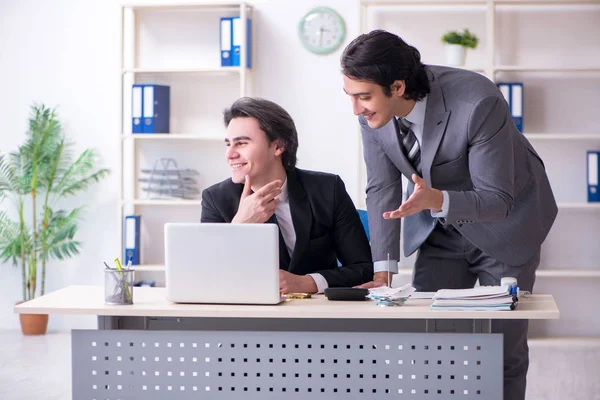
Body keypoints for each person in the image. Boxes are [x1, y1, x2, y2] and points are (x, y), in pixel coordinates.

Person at [340, 30, 557, 400]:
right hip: (438, 228)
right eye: (350, 96)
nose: (356, 109)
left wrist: (436, 199)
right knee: (432, 344)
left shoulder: (477, 100)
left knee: (502, 351)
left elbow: (497, 199)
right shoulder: (372, 114)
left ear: (397, 86)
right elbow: (381, 188)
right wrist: (384, 269)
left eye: (363, 97)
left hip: (504, 224)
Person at [201, 97, 373, 294]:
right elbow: (206, 276)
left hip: (316, 315)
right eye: (228, 144)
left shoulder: (327, 189)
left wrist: (307, 282)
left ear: (278, 146)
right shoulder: (215, 199)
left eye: (241, 143)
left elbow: (363, 268)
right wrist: (240, 226)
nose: (229, 154)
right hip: (249, 313)